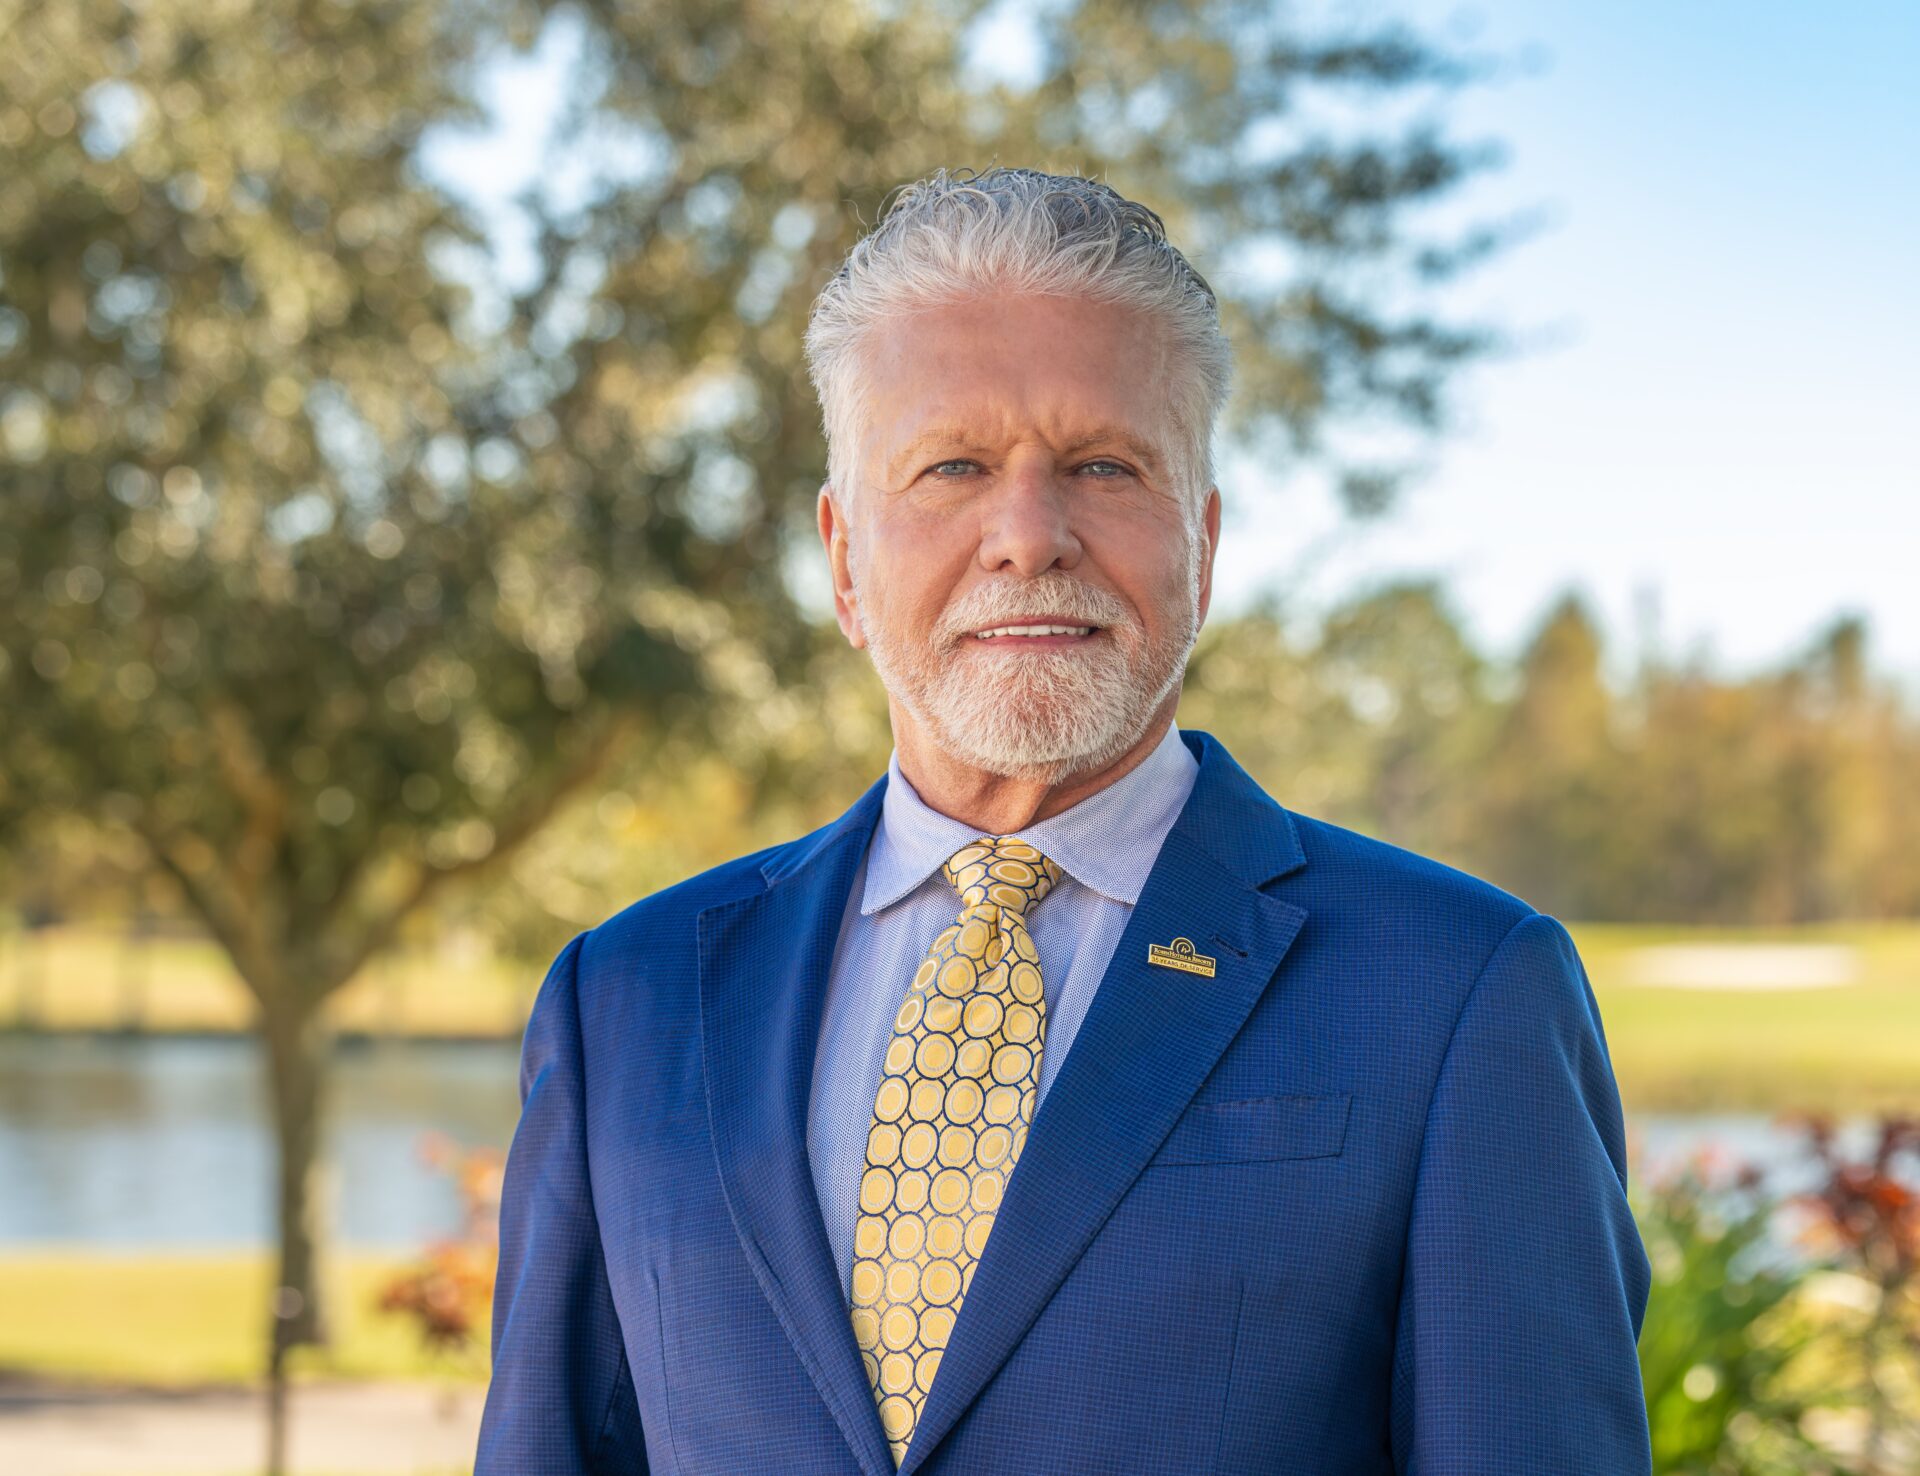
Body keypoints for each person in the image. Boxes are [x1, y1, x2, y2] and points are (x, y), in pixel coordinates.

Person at [475, 166, 1653, 1475]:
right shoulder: (624, 1000)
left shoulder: (1460, 995)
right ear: (843, 559)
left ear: (1202, 542)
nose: (1028, 536)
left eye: (1103, 466)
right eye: (952, 467)